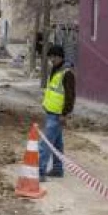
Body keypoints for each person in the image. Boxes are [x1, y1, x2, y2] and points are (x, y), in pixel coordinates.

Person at [38, 45, 75, 182]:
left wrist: (65, 114)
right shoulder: (55, 69)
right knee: (57, 144)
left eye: (53, 57)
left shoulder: (67, 73)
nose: (51, 59)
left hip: (57, 114)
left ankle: (40, 171)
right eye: (50, 57)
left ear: (60, 57)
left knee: (45, 144)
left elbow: (70, 96)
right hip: (51, 112)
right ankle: (58, 169)